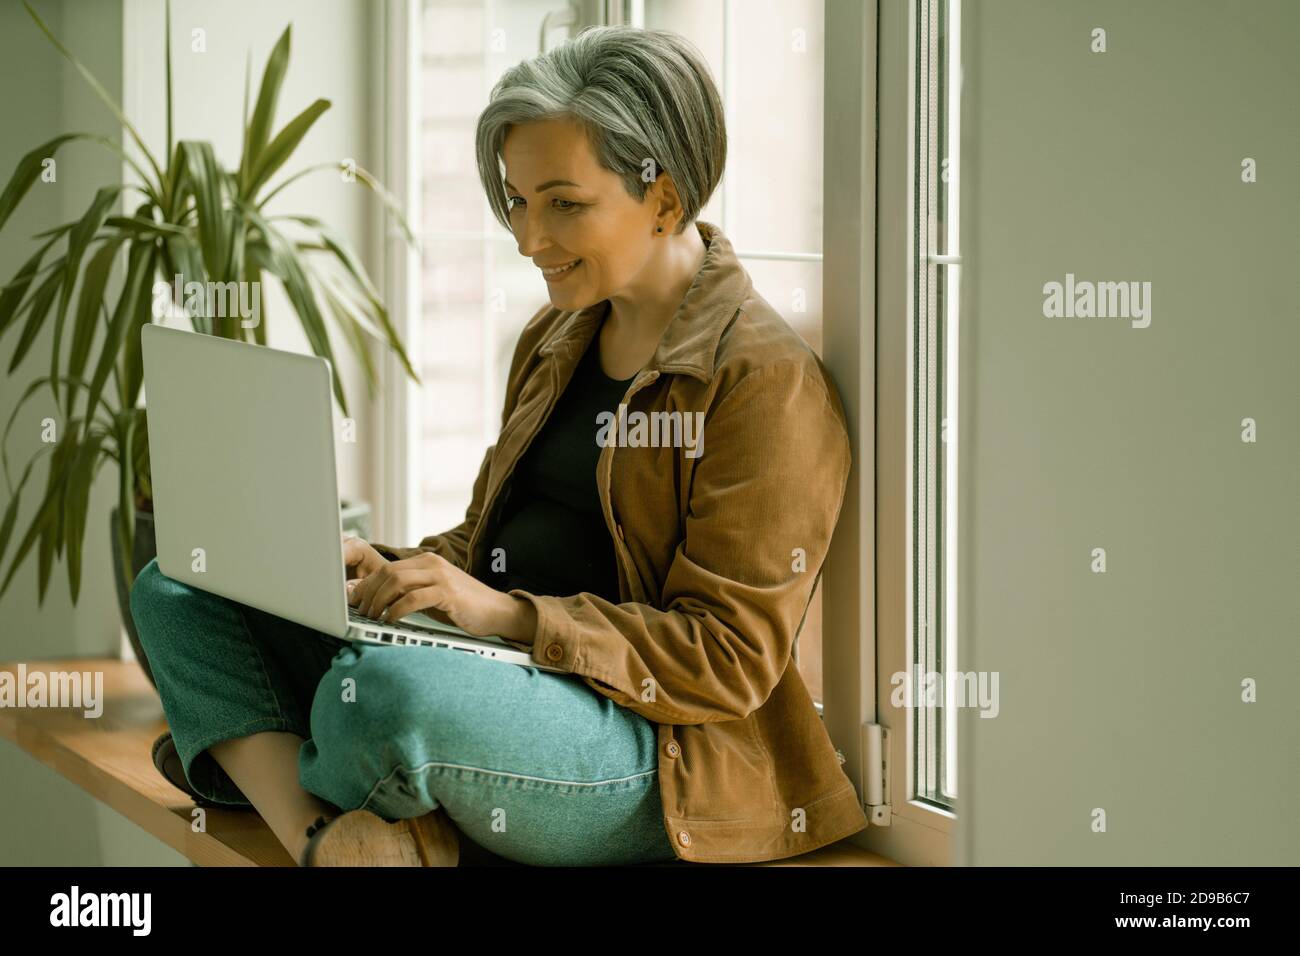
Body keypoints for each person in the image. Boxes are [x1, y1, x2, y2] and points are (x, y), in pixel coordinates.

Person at [130, 24, 866, 867]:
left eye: (564, 203)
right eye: (518, 200)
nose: (527, 238)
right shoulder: (556, 337)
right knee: (177, 587)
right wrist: (387, 567)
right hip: (494, 675)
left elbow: (728, 659)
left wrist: (510, 617)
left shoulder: (763, 382)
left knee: (375, 697)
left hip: (645, 750)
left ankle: (322, 788)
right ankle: (329, 839)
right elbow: (495, 545)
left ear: (665, 197)